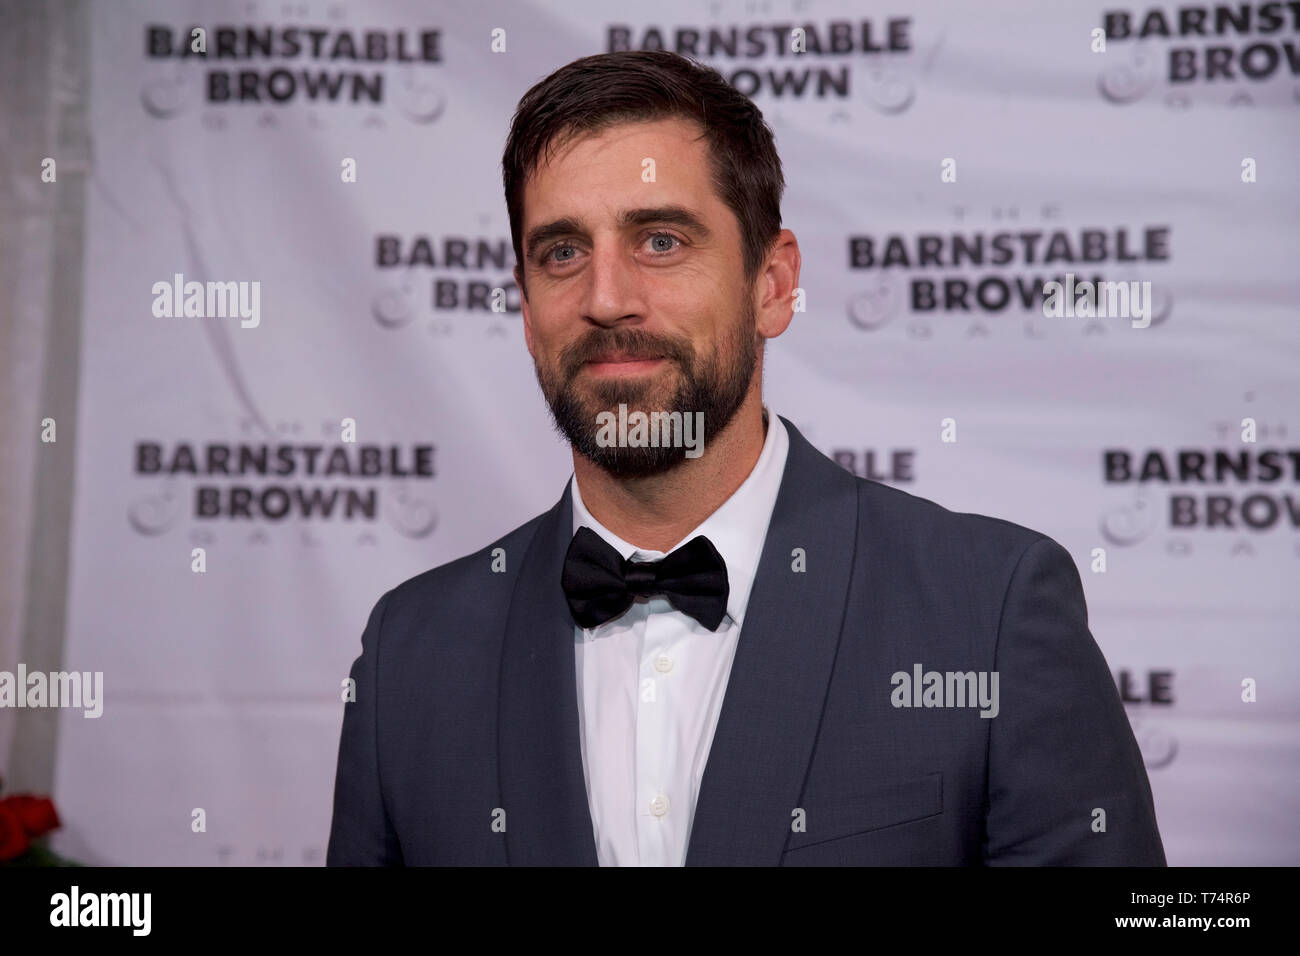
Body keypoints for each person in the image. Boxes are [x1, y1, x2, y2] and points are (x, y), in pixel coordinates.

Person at [326, 50, 1166, 866]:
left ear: (772, 284)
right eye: (562, 252)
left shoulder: (987, 613)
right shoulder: (411, 657)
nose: (606, 297)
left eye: (660, 241)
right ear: (524, 304)